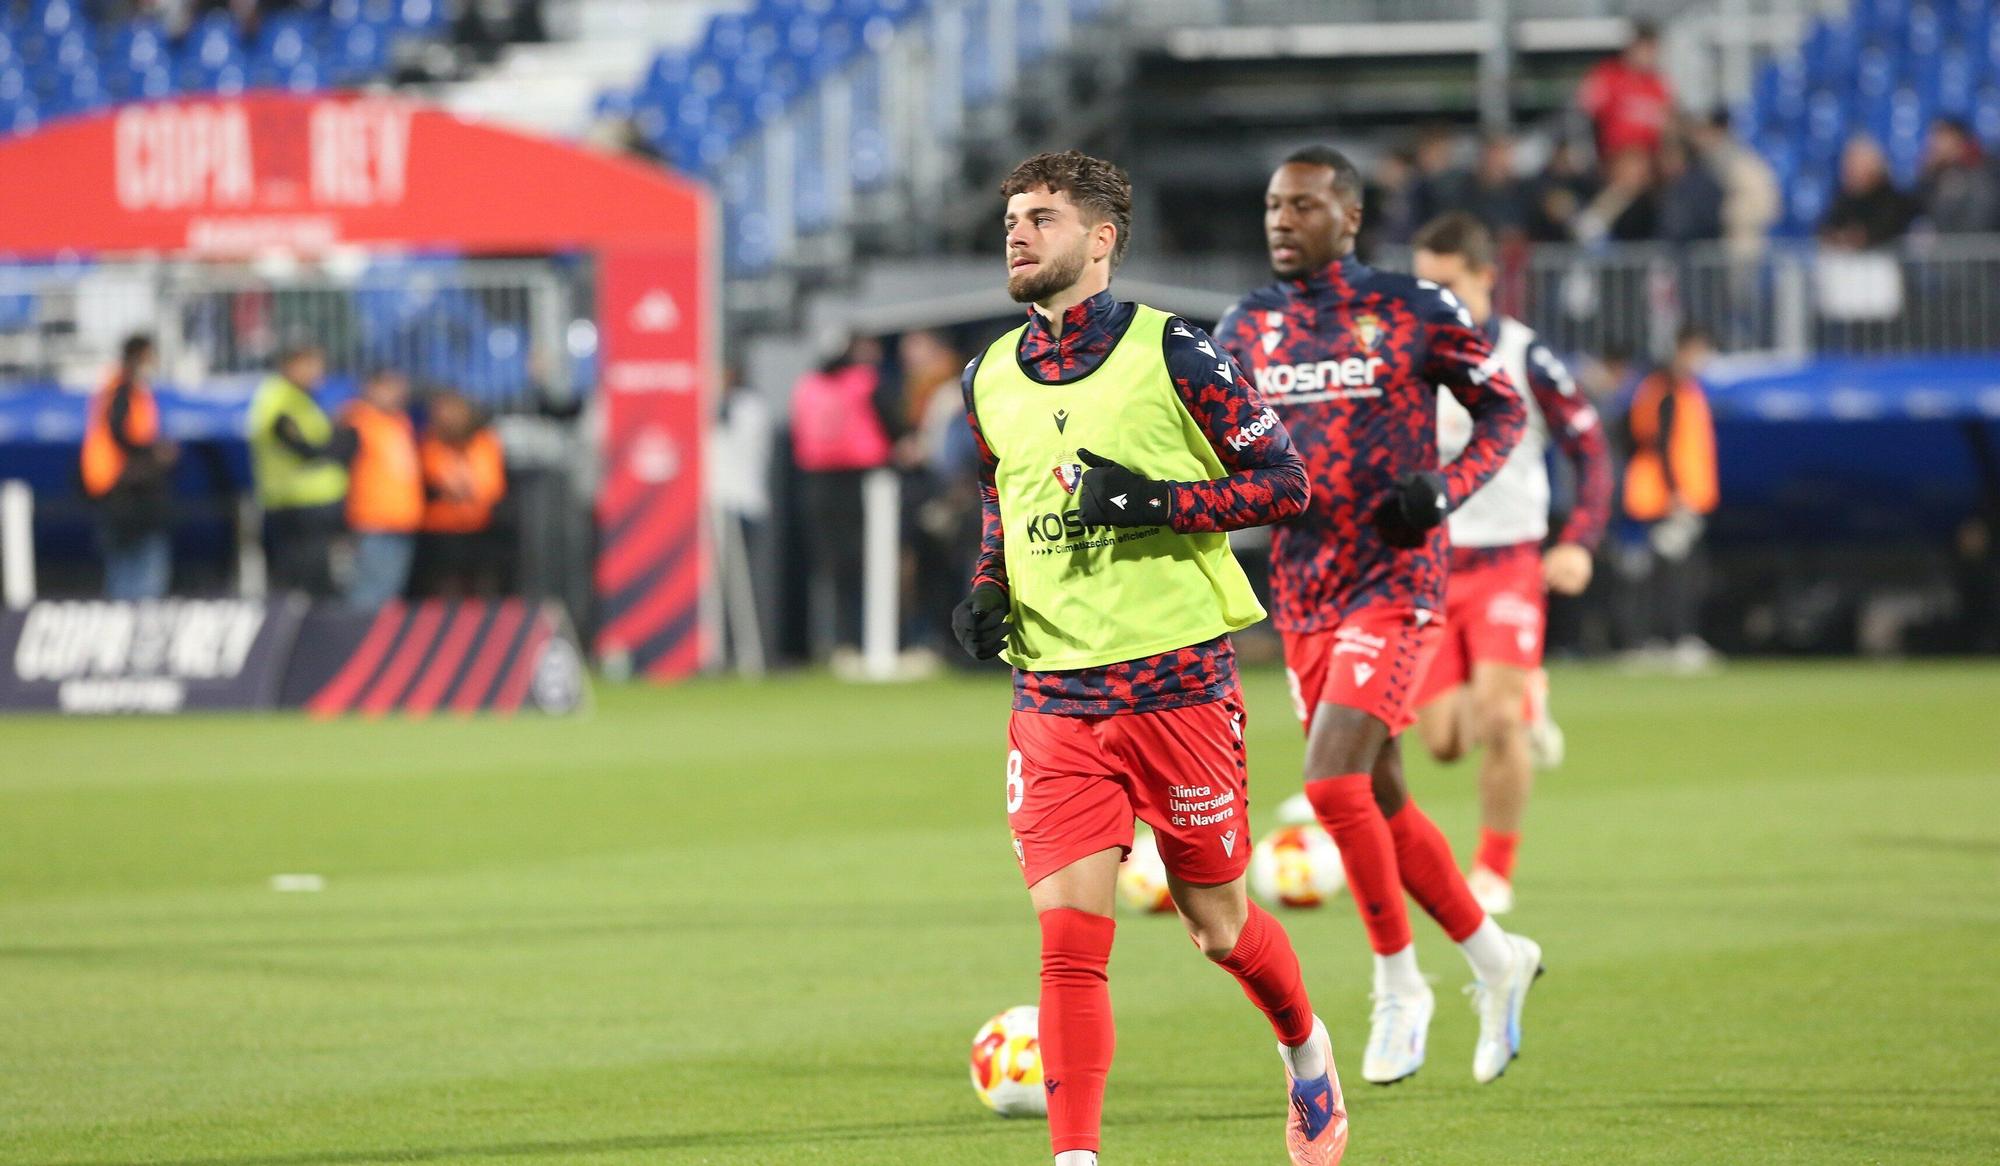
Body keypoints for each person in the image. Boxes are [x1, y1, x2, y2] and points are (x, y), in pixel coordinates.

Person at [954, 149, 1345, 1166]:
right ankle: (1076, 1155)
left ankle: (1305, 1051)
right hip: (1053, 699)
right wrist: (990, 584)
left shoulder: (1172, 349)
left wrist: (1159, 500)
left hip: (1177, 686)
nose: (1017, 234)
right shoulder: (986, 373)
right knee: (1070, 941)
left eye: (1040, 218)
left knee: (1217, 923)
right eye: (1010, 219)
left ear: (1099, 240)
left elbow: (1286, 480)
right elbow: (1007, 490)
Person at [1215, 146, 1540, 1089]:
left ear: (1349, 218)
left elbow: (1503, 414)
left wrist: (1446, 490)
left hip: (1397, 581)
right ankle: (1494, 959)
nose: (1283, 219)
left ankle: (1400, 982)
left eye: (1305, 205)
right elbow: (1221, 450)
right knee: (1381, 796)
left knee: (1328, 784)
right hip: (1304, 588)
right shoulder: (1246, 327)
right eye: (1274, 204)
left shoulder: (1414, 308)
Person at [1406, 214, 1614, 916]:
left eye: (1447, 283)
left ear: (1486, 277)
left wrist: (1578, 540)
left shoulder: (1525, 357)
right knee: (1441, 743)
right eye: (1423, 284)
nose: (1432, 297)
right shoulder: (1410, 360)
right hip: (1429, 568)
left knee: (1497, 722)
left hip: (1508, 565)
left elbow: (1591, 449)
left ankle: (1493, 869)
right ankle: (1532, 693)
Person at [790, 333, 900, 661]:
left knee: (834, 570)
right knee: (873, 565)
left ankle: (844, 643)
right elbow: (894, 428)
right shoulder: (866, 382)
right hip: (866, 483)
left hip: (817, 484)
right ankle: (877, 642)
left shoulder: (807, 386)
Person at [1620, 325, 1720, 668]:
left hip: (1675, 496)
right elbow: (1660, 443)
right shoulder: (1665, 390)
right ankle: (1664, 640)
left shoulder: (1681, 389)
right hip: (1663, 498)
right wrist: (1675, 492)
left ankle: (1662, 639)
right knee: (1670, 574)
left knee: (1676, 571)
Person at [247, 340, 349, 598]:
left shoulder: (304, 398)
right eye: (310, 364)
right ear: (290, 365)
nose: (318, 371)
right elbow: (296, 444)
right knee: (304, 586)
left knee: (319, 581)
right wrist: (335, 447)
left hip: (313, 505)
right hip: (297, 506)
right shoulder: (280, 397)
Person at [81, 333, 177, 600]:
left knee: (127, 570)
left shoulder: (119, 388)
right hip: (125, 491)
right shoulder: (123, 389)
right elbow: (120, 431)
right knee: (139, 573)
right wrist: (152, 452)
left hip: (121, 490)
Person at [340, 369, 423, 608]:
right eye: (389, 388)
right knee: (368, 593)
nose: (397, 395)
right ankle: (356, 640)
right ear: (371, 388)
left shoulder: (398, 422)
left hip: (402, 519)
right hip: (372, 519)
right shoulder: (357, 420)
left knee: (389, 593)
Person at [416, 389, 508, 598]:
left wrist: (465, 488)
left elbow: (490, 487)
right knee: (444, 589)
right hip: (441, 531)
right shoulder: (431, 444)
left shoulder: (484, 442)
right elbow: (438, 479)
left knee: (481, 588)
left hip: (479, 529)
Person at [1577, 19, 1673, 161]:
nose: (1650, 56)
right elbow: (1584, 110)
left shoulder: (1658, 84)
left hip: (1649, 160)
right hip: (1615, 158)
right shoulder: (1607, 75)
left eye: (1653, 50)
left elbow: (1667, 121)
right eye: (1646, 49)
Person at [1819, 135, 1919, 250]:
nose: (1849, 172)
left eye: (1855, 166)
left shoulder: (1894, 200)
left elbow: (1886, 232)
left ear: (1874, 168)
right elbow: (1826, 229)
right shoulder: (1844, 198)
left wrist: (1858, 237)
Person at [1917, 117, 2000, 235]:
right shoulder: (1935, 175)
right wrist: (1927, 176)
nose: (1933, 144)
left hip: (1976, 246)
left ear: (1957, 139)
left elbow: (1980, 219)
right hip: (1950, 247)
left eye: (1940, 137)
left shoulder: (1983, 170)